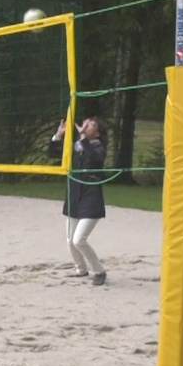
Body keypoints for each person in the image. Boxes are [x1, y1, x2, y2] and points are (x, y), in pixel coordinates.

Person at [47, 116, 108, 285]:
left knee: (79, 239)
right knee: (70, 240)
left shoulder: (99, 147)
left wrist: (82, 137)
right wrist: (58, 135)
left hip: (91, 197)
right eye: (85, 123)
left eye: (91, 124)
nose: (86, 125)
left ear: (97, 133)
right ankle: (81, 269)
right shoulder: (77, 145)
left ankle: (99, 271)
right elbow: (53, 153)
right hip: (74, 195)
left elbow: (94, 158)